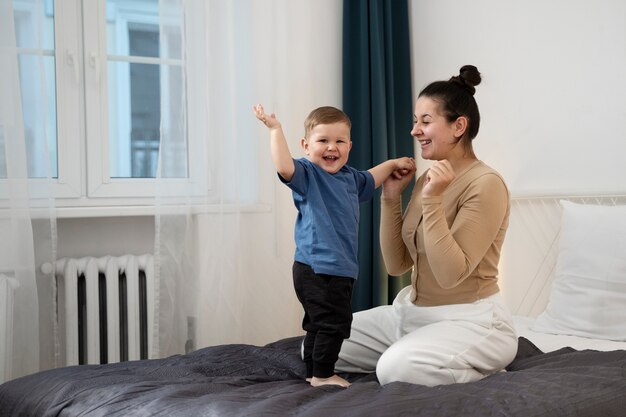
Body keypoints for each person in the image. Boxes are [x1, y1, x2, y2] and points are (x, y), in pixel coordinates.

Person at [335, 65, 518, 387]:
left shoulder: (485, 184)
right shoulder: (428, 180)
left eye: (425, 121)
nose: (414, 131)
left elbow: (451, 274)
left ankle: (480, 371)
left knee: (394, 370)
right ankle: (419, 353)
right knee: (320, 345)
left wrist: (433, 200)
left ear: (458, 126)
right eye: (414, 121)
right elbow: (396, 265)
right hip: (412, 313)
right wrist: (391, 198)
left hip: (471, 320)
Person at [253, 104, 415, 388]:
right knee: (334, 323)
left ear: (349, 146)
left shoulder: (350, 178)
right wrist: (276, 130)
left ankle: (313, 370)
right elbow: (283, 166)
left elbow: (371, 178)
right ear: (306, 146)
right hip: (317, 268)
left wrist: (391, 165)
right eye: (323, 141)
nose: (332, 147)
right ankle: (323, 374)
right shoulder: (307, 174)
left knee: (319, 323)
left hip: (338, 269)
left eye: (339, 141)